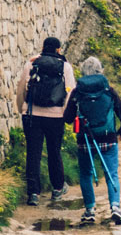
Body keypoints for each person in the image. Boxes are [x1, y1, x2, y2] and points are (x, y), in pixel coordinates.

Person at [63, 56, 121, 225]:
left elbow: (67, 118)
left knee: (85, 174)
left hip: (85, 140)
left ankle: (89, 210)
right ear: (100, 71)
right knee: (111, 174)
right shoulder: (109, 91)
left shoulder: (77, 93)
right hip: (108, 138)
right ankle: (115, 207)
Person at [14, 36, 76, 207]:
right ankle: (57, 189)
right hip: (55, 116)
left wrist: (23, 108)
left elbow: (21, 88)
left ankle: (33, 193)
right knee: (54, 152)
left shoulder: (32, 64)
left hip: (32, 114)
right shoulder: (65, 67)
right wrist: (65, 114)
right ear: (58, 50)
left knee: (33, 152)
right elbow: (70, 92)